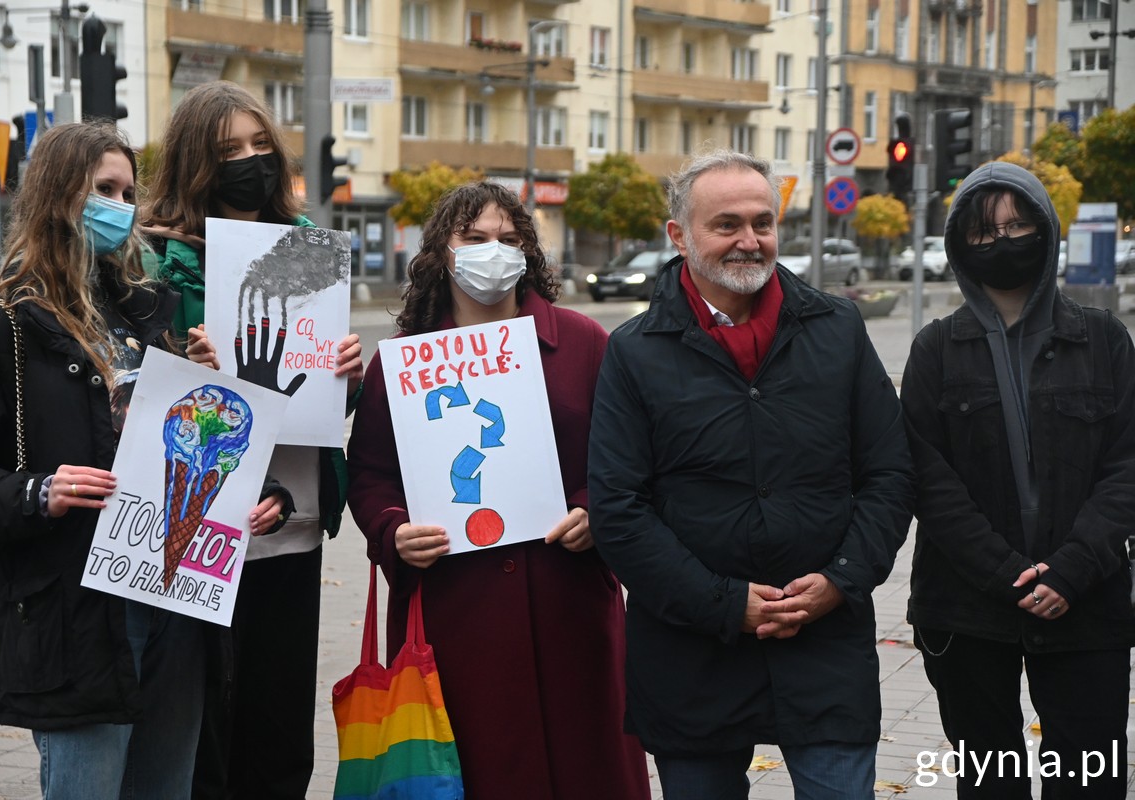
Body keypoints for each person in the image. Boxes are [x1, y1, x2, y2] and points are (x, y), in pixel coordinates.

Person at [587, 150, 915, 800]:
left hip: (824, 642)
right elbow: (619, 509)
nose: (749, 240)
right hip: (692, 655)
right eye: (727, 224)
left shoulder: (838, 328)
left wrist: (841, 581)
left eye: (762, 222)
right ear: (679, 235)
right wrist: (723, 603)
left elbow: (890, 473)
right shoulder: (634, 351)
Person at [346, 181, 651, 799]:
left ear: (528, 252)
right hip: (456, 610)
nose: (494, 252)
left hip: (570, 603)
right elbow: (371, 472)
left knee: (588, 768)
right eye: (475, 239)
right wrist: (393, 531)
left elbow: (631, 460)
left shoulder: (586, 343)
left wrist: (596, 510)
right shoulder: (403, 359)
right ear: (442, 252)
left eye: (509, 240)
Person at [0, 122, 212, 797]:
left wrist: (208, 394)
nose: (120, 206)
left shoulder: (152, 323)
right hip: (72, 619)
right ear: (57, 197)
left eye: (126, 191)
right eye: (101, 191)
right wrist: (38, 493)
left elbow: (189, 456)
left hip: (171, 607)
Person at [142, 80, 363, 799]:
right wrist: (185, 366)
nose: (250, 161)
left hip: (292, 530)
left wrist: (345, 377)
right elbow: (133, 400)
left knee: (277, 731)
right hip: (201, 531)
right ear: (194, 164)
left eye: (261, 145)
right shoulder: (157, 266)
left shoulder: (310, 252)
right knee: (205, 735)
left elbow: (316, 399)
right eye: (229, 149)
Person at [901, 160, 1135, 798]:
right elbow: (927, 477)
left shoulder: (1106, 341)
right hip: (969, 610)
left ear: (1046, 231)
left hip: (1087, 603)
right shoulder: (934, 349)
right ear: (959, 246)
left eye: (1016, 225)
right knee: (990, 782)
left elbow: (1126, 468)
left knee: (1089, 779)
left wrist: (1071, 570)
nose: (1002, 242)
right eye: (983, 232)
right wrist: (1007, 573)